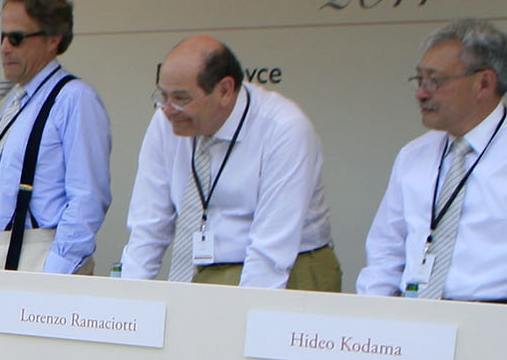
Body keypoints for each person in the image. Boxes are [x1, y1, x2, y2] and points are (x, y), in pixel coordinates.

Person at [120, 37, 337, 290]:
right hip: (208, 268)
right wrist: (129, 297)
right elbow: (148, 226)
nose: (168, 110)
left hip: (288, 267)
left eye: (180, 98)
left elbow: (271, 253)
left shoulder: (284, 128)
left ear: (224, 90)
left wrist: (246, 311)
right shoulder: (166, 120)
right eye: (163, 96)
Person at [361, 18, 505, 303]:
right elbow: (386, 249)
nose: (421, 93)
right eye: (420, 80)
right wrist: (374, 311)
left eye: (435, 81)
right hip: (416, 312)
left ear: (484, 83)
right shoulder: (414, 155)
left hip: (494, 317)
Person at [0, 0, 112, 274]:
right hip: (1, 256)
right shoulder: (17, 100)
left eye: (16, 38)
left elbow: (88, 198)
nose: (4, 47)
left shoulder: (74, 98)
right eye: (1, 37)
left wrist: (54, 272)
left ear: (53, 39)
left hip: (40, 260)